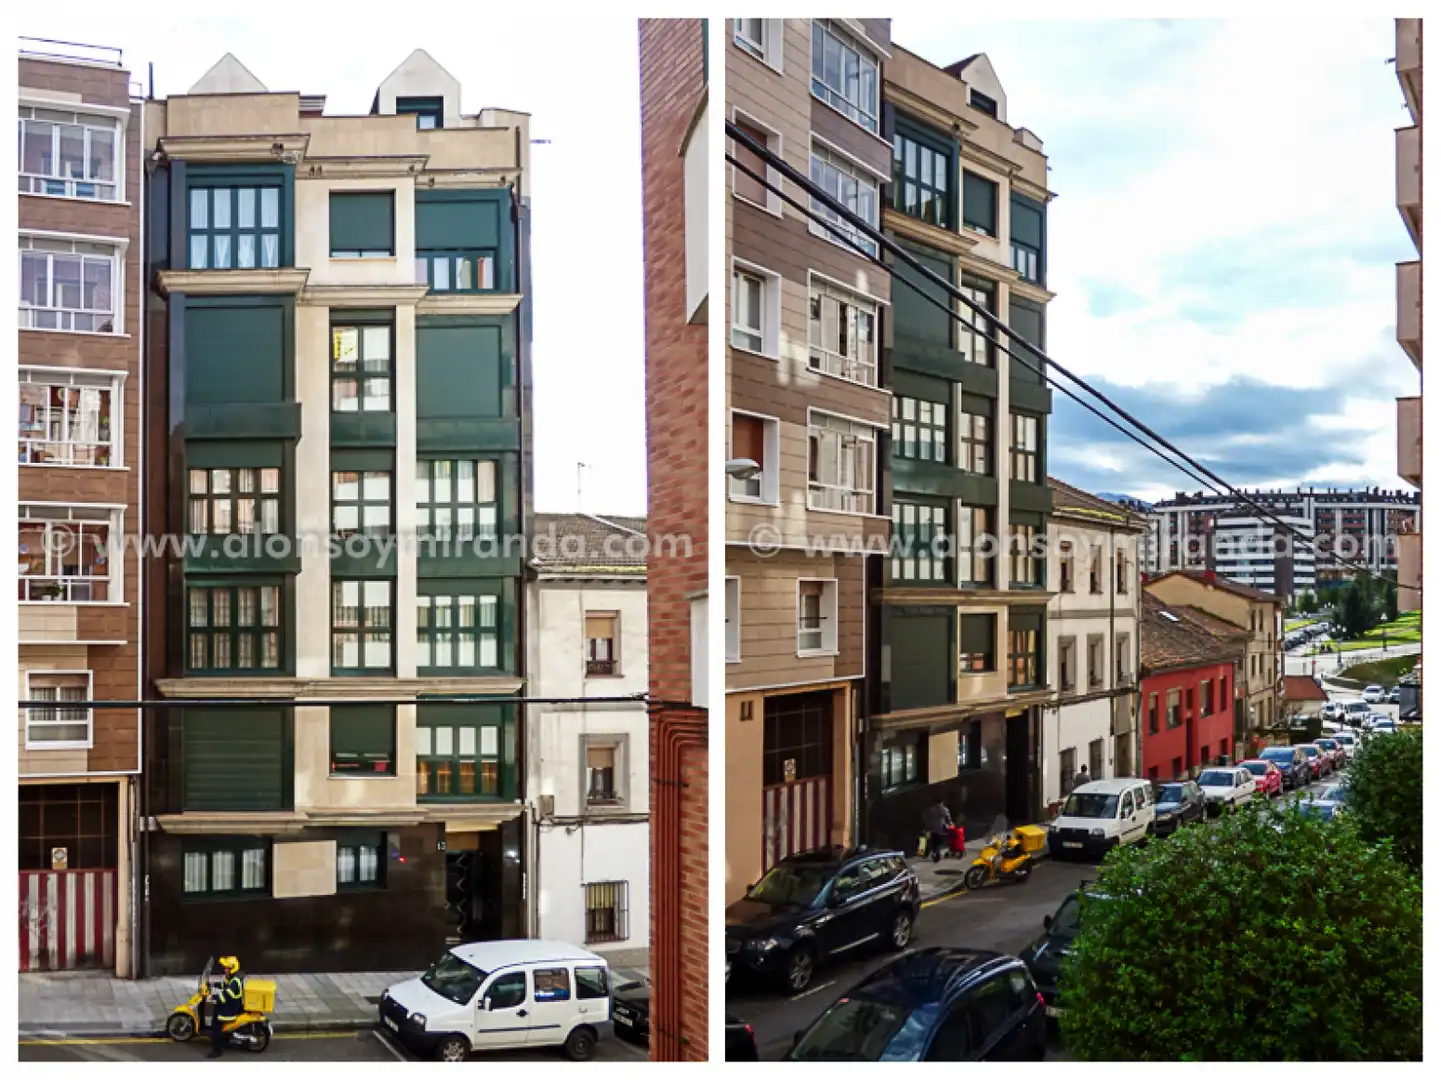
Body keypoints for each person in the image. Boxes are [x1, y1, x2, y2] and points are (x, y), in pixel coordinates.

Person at [208, 956, 245, 1059]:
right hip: (231, 1004)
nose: (225, 970)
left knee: (215, 1027)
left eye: (227, 968)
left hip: (229, 1008)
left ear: (232, 969)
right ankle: (225, 1039)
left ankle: (217, 1050)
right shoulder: (233, 978)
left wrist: (213, 997)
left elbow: (225, 997)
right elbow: (225, 985)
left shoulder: (234, 982)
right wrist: (213, 984)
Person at [923, 799, 954, 863]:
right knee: (939, 842)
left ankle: (933, 853)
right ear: (942, 802)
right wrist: (951, 824)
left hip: (933, 828)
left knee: (934, 841)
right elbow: (948, 818)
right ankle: (936, 854)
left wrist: (927, 827)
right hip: (941, 828)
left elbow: (928, 819)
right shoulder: (944, 809)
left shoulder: (931, 809)